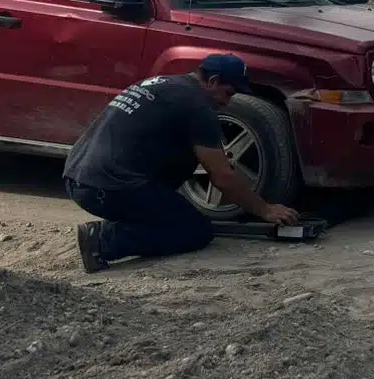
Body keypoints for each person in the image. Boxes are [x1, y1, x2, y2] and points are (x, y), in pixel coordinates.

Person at [64, 54, 300, 273]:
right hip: (105, 188)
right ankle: (103, 241)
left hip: (79, 176)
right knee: (194, 230)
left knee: (182, 167)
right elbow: (221, 175)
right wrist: (265, 209)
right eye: (228, 93)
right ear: (213, 81)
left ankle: (134, 218)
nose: (228, 102)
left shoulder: (165, 84)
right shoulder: (198, 107)